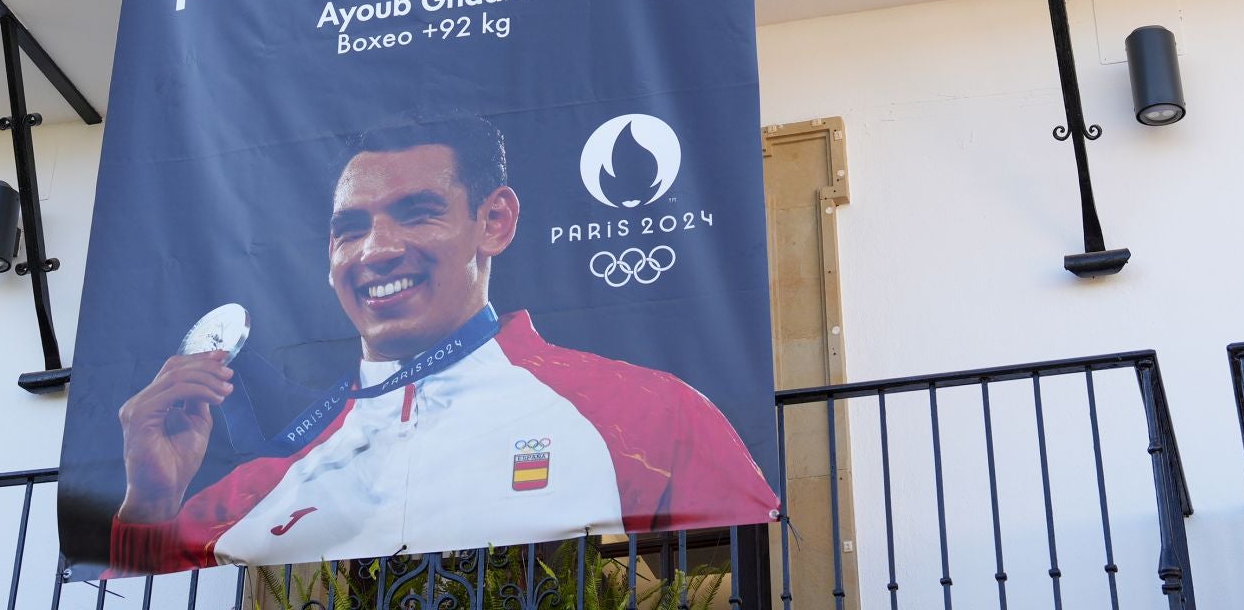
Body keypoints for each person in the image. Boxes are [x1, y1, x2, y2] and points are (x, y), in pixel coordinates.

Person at [108, 117, 778, 574]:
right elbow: (130, 584)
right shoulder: (262, 482)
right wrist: (152, 499)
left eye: (416, 212)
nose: (376, 250)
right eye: (350, 228)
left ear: (494, 221)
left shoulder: (650, 415)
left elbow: (740, 580)